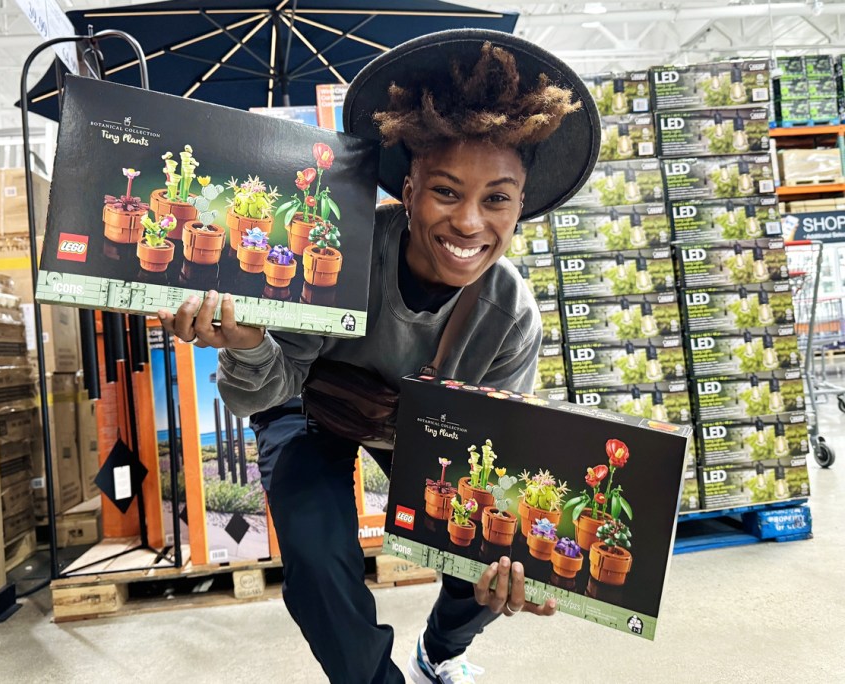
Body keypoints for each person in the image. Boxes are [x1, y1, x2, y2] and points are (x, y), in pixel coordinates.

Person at [159, 29, 599, 684]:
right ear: (408, 187)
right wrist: (248, 343)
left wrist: (511, 560)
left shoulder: (510, 318)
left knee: (484, 552)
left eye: (497, 199)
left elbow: (493, 461)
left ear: (521, 204)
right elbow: (259, 392)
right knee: (317, 563)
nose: (471, 223)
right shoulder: (339, 254)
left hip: (429, 432)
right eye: (446, 191)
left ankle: (441, 651)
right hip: (305, 403)